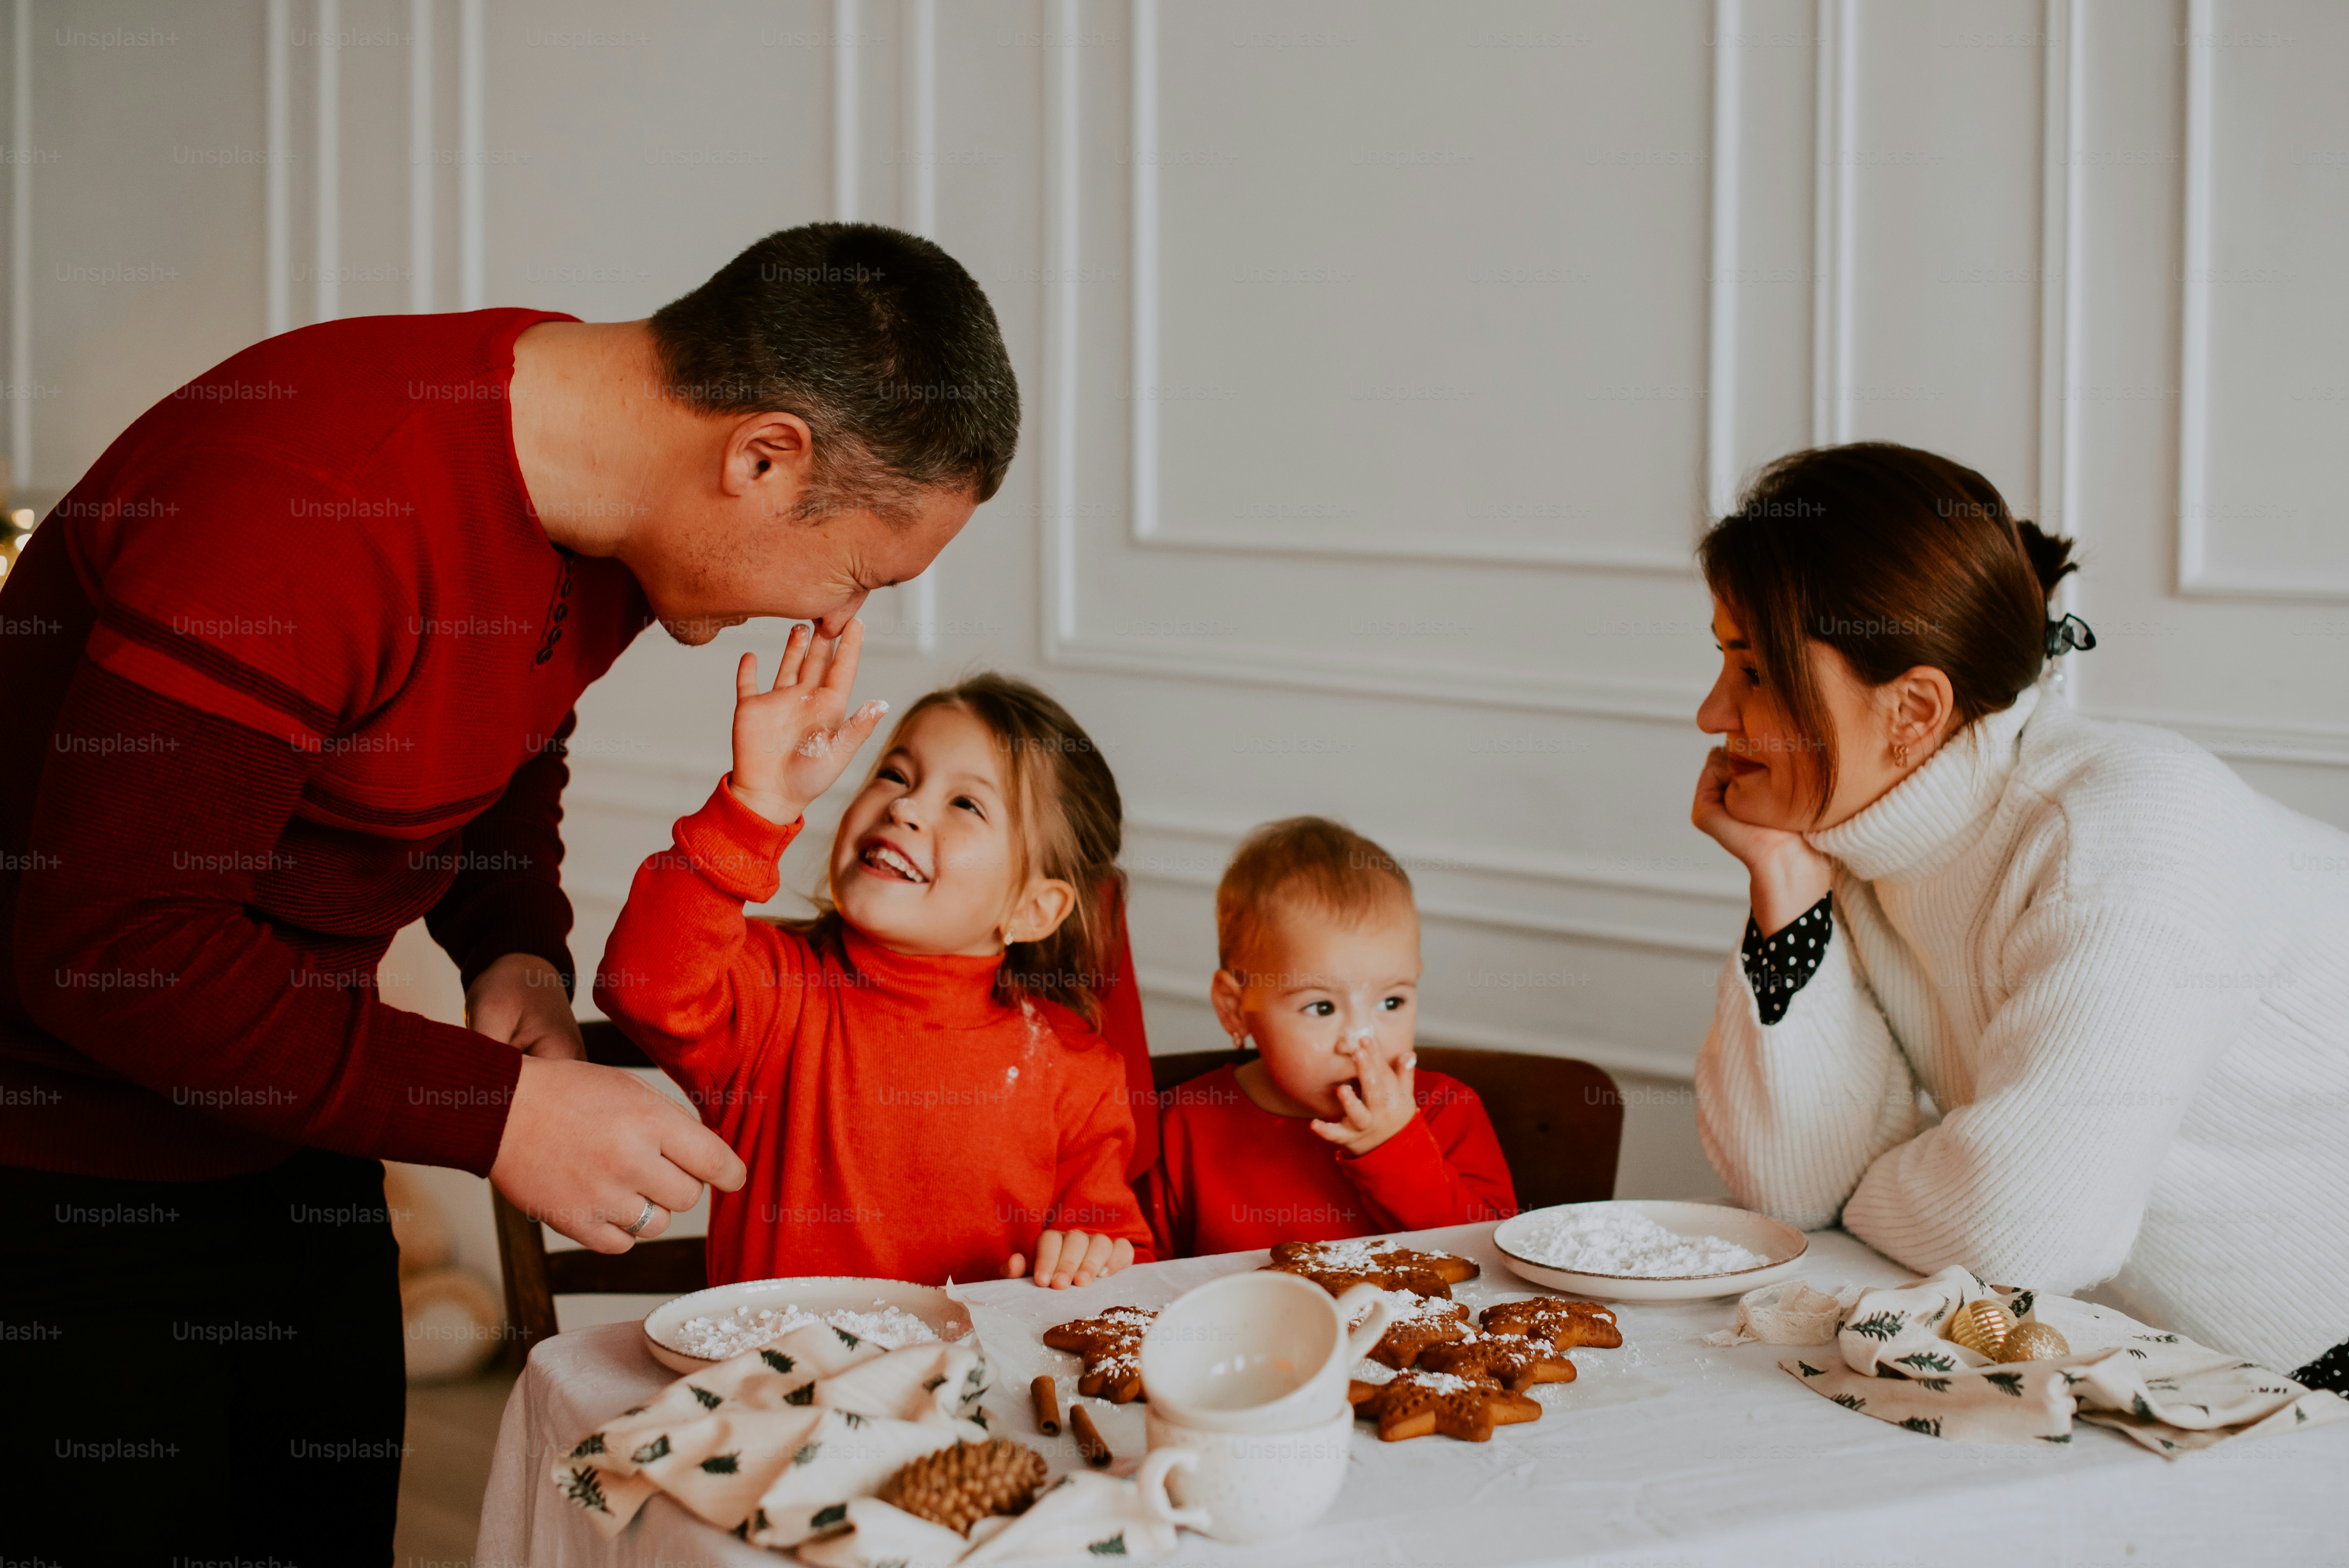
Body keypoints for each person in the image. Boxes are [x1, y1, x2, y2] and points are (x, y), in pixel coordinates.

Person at [0, 221, 1017, 1559]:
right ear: (763, 458)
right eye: (859, 575)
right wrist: (500, 1114)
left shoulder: (596, 487)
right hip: (60, 1180)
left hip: (287, 1128)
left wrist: (514, 951)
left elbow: (502, 737)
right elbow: (110, 948)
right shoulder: (304, 509)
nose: (831, 621)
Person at [1688, 441, 2349, 1387]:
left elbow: (2020, 1229)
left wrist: (1883, 1186)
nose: (1712, 713)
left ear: (1913, 710)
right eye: (1722, 659)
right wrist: (1783, 883)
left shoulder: (2127, 827)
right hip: (2182, 1374)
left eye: (1752, 671)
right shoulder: (1861, 837)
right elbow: (1791, 1191)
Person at [595, 656, 1154, 1290]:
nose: (907, 806)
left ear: (1033, 909)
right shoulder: (775, 990)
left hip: (975, 1389)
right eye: (894, 774)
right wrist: (755, 809)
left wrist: (1089, 1259)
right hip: (774, 1383)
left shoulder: (1078, 1072)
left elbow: (1121, 1260)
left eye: (966, 803)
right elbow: (642, 986)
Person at [1146, 817, 1517, 1257]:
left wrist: (1396, 1148)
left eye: (1391, 1002)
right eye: (1321, 1007)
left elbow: (1491, 1259)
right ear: (1234, 1005)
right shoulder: (1183, 1123)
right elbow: (1140, 1279)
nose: (1362, 1040)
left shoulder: (1447, 1111)